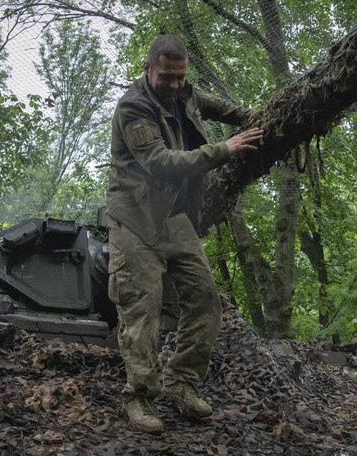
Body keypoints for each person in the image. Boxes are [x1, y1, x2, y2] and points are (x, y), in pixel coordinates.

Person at [105, 34, 263, 433]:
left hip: (174, 218)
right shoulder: (133, 107)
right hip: (136, 221)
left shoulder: (185, 92)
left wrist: (256, 118)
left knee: (206, 301)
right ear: (147, 69)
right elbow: (162, 163)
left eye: (180, 77)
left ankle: (181, 383)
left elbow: (221, 107)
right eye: (167, 78)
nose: (175, 85)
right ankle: (139, 397)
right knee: (143, 309)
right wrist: (226, 149)